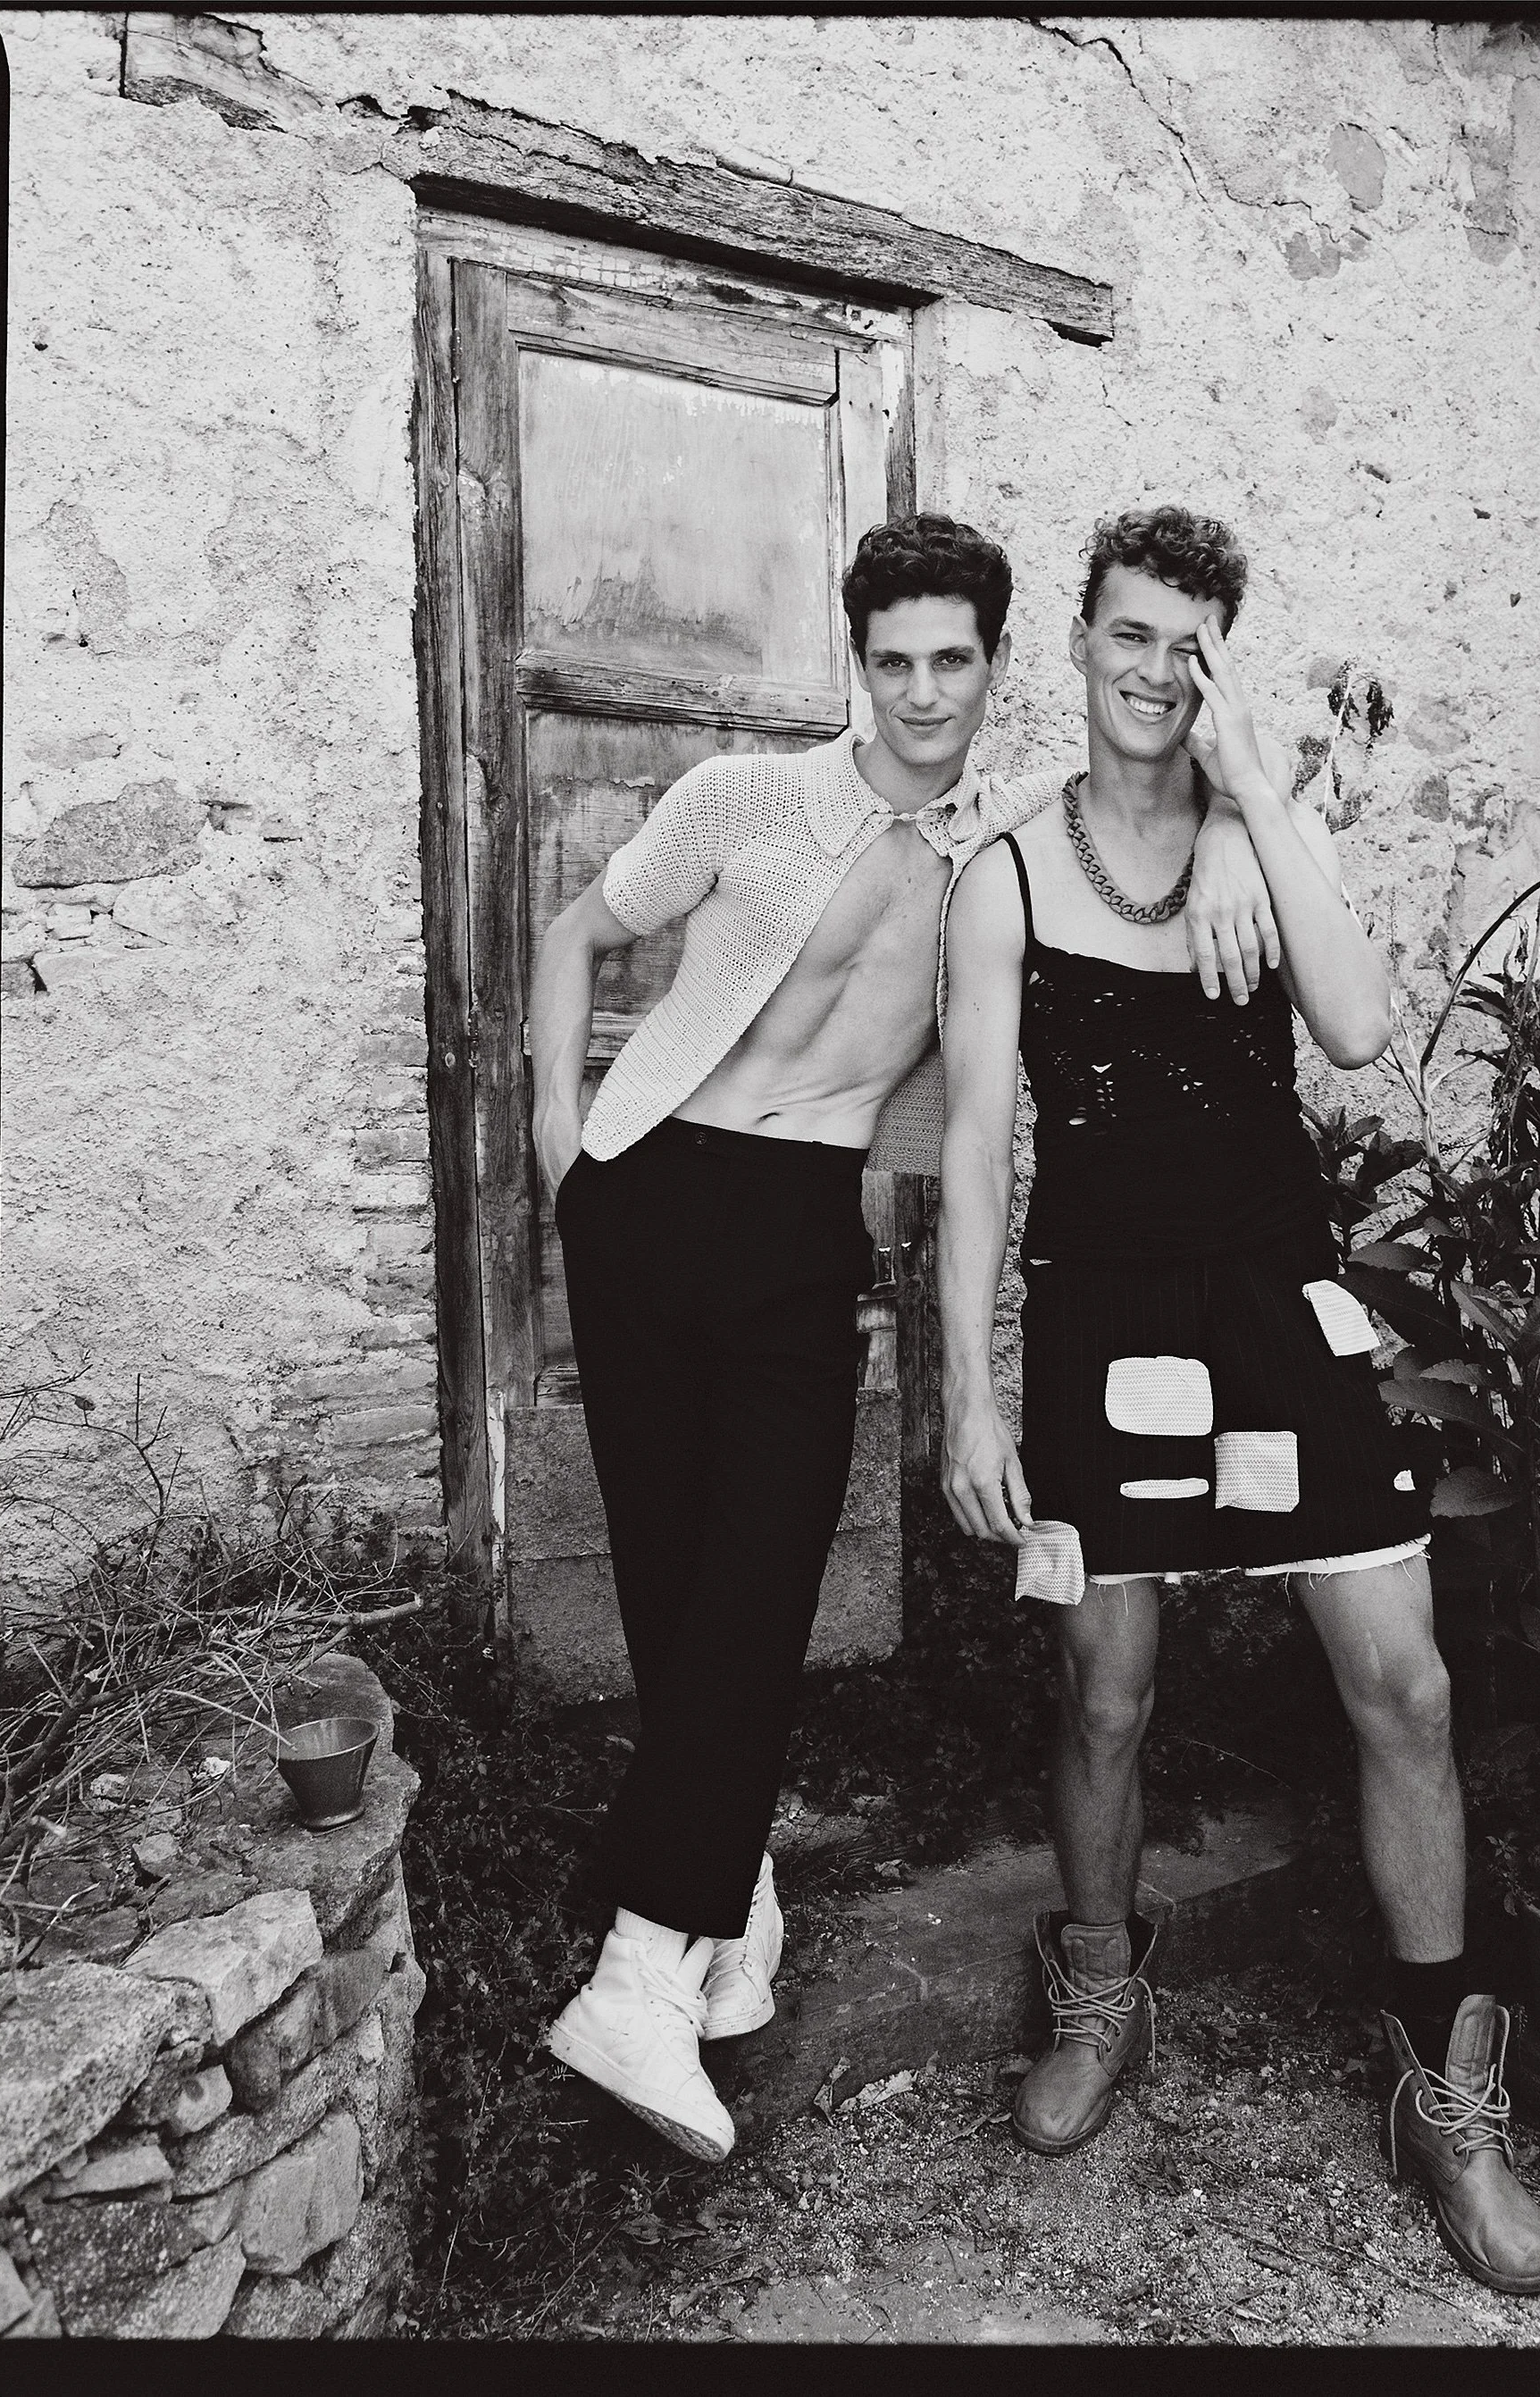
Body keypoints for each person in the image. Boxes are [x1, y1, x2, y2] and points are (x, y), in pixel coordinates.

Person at [527, 514, 1280, 2163]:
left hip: (804, 1224)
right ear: (852, 663)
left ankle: (640, 1973)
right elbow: (577, 936)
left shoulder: (1005, 838)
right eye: (892, 662)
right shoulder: (742, 802)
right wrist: (560, 1148)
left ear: (997, 667)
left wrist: (1232, 833)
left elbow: (1151, 788)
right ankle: (734, 1901)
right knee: (674, 1585)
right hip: (647, 1190)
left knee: (764, 1577)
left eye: (954, 661)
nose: (924, 694)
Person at [937, 503, 1540, 2296]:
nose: (1152, 672)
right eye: (1127, 636)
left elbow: (1360, 1029)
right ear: (1077, 645)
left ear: (1223, 664)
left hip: (1282, 1302)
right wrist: (975, 1400)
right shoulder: (1012, 876)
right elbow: (980, 1147)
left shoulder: (1250, 842)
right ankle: (1100, 1997)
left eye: (1188, 647)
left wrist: (1256, 809)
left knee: (1408, 1686)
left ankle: (1446, 2090)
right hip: (1100, 1313)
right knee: (1104, 1686)